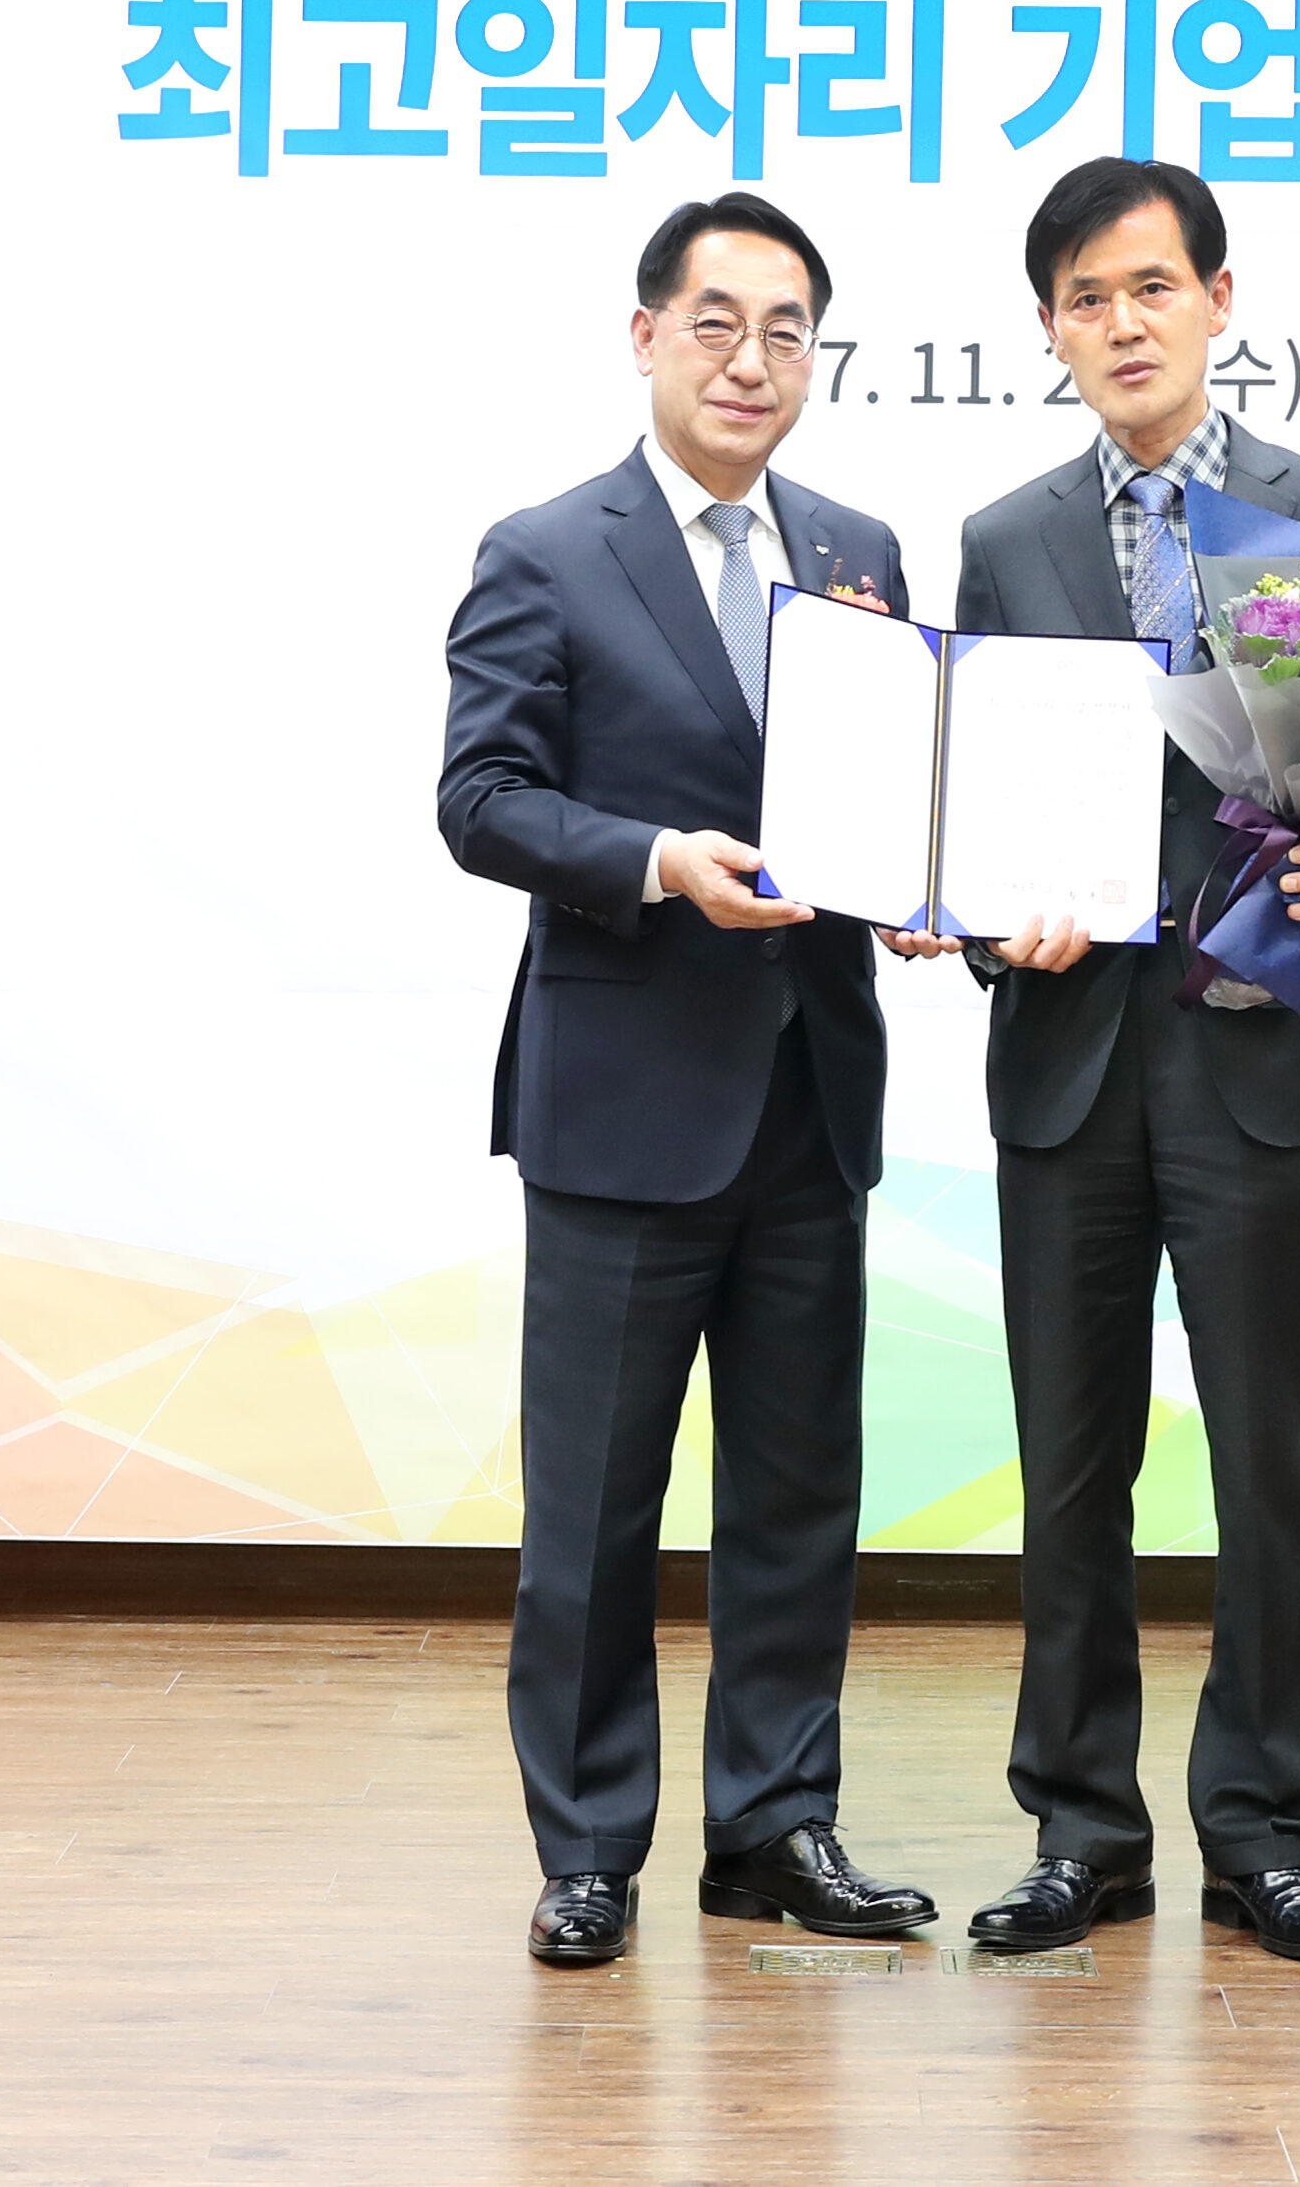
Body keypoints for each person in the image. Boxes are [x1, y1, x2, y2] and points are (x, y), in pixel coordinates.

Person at [942, 157, 1300, 1964]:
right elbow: (978, 784)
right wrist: (982, 915)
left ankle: (1263, 1833)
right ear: (1051, 331)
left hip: (1261, 1054)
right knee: (1069, 1466)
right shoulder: (1005, 539)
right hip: (1070, 1059)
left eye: (1152, 287)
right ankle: (1082, 1831)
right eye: (1086, 299)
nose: (1124, 323)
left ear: (1220, 303)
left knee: (1268, 1459)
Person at [437, 192, 943, 1967]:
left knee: (798, 1495)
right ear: (646, 335)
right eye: (718, 322)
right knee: (594, 1505)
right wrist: (657, 860)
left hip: (810, 1090)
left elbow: (890, 787)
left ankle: (775, 1829)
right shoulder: (545, 551)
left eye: (788, 330)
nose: (752, 360)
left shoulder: (860, 548)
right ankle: (589, 1847)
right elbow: (481, 799)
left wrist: (922, 885)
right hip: (622, 1098)